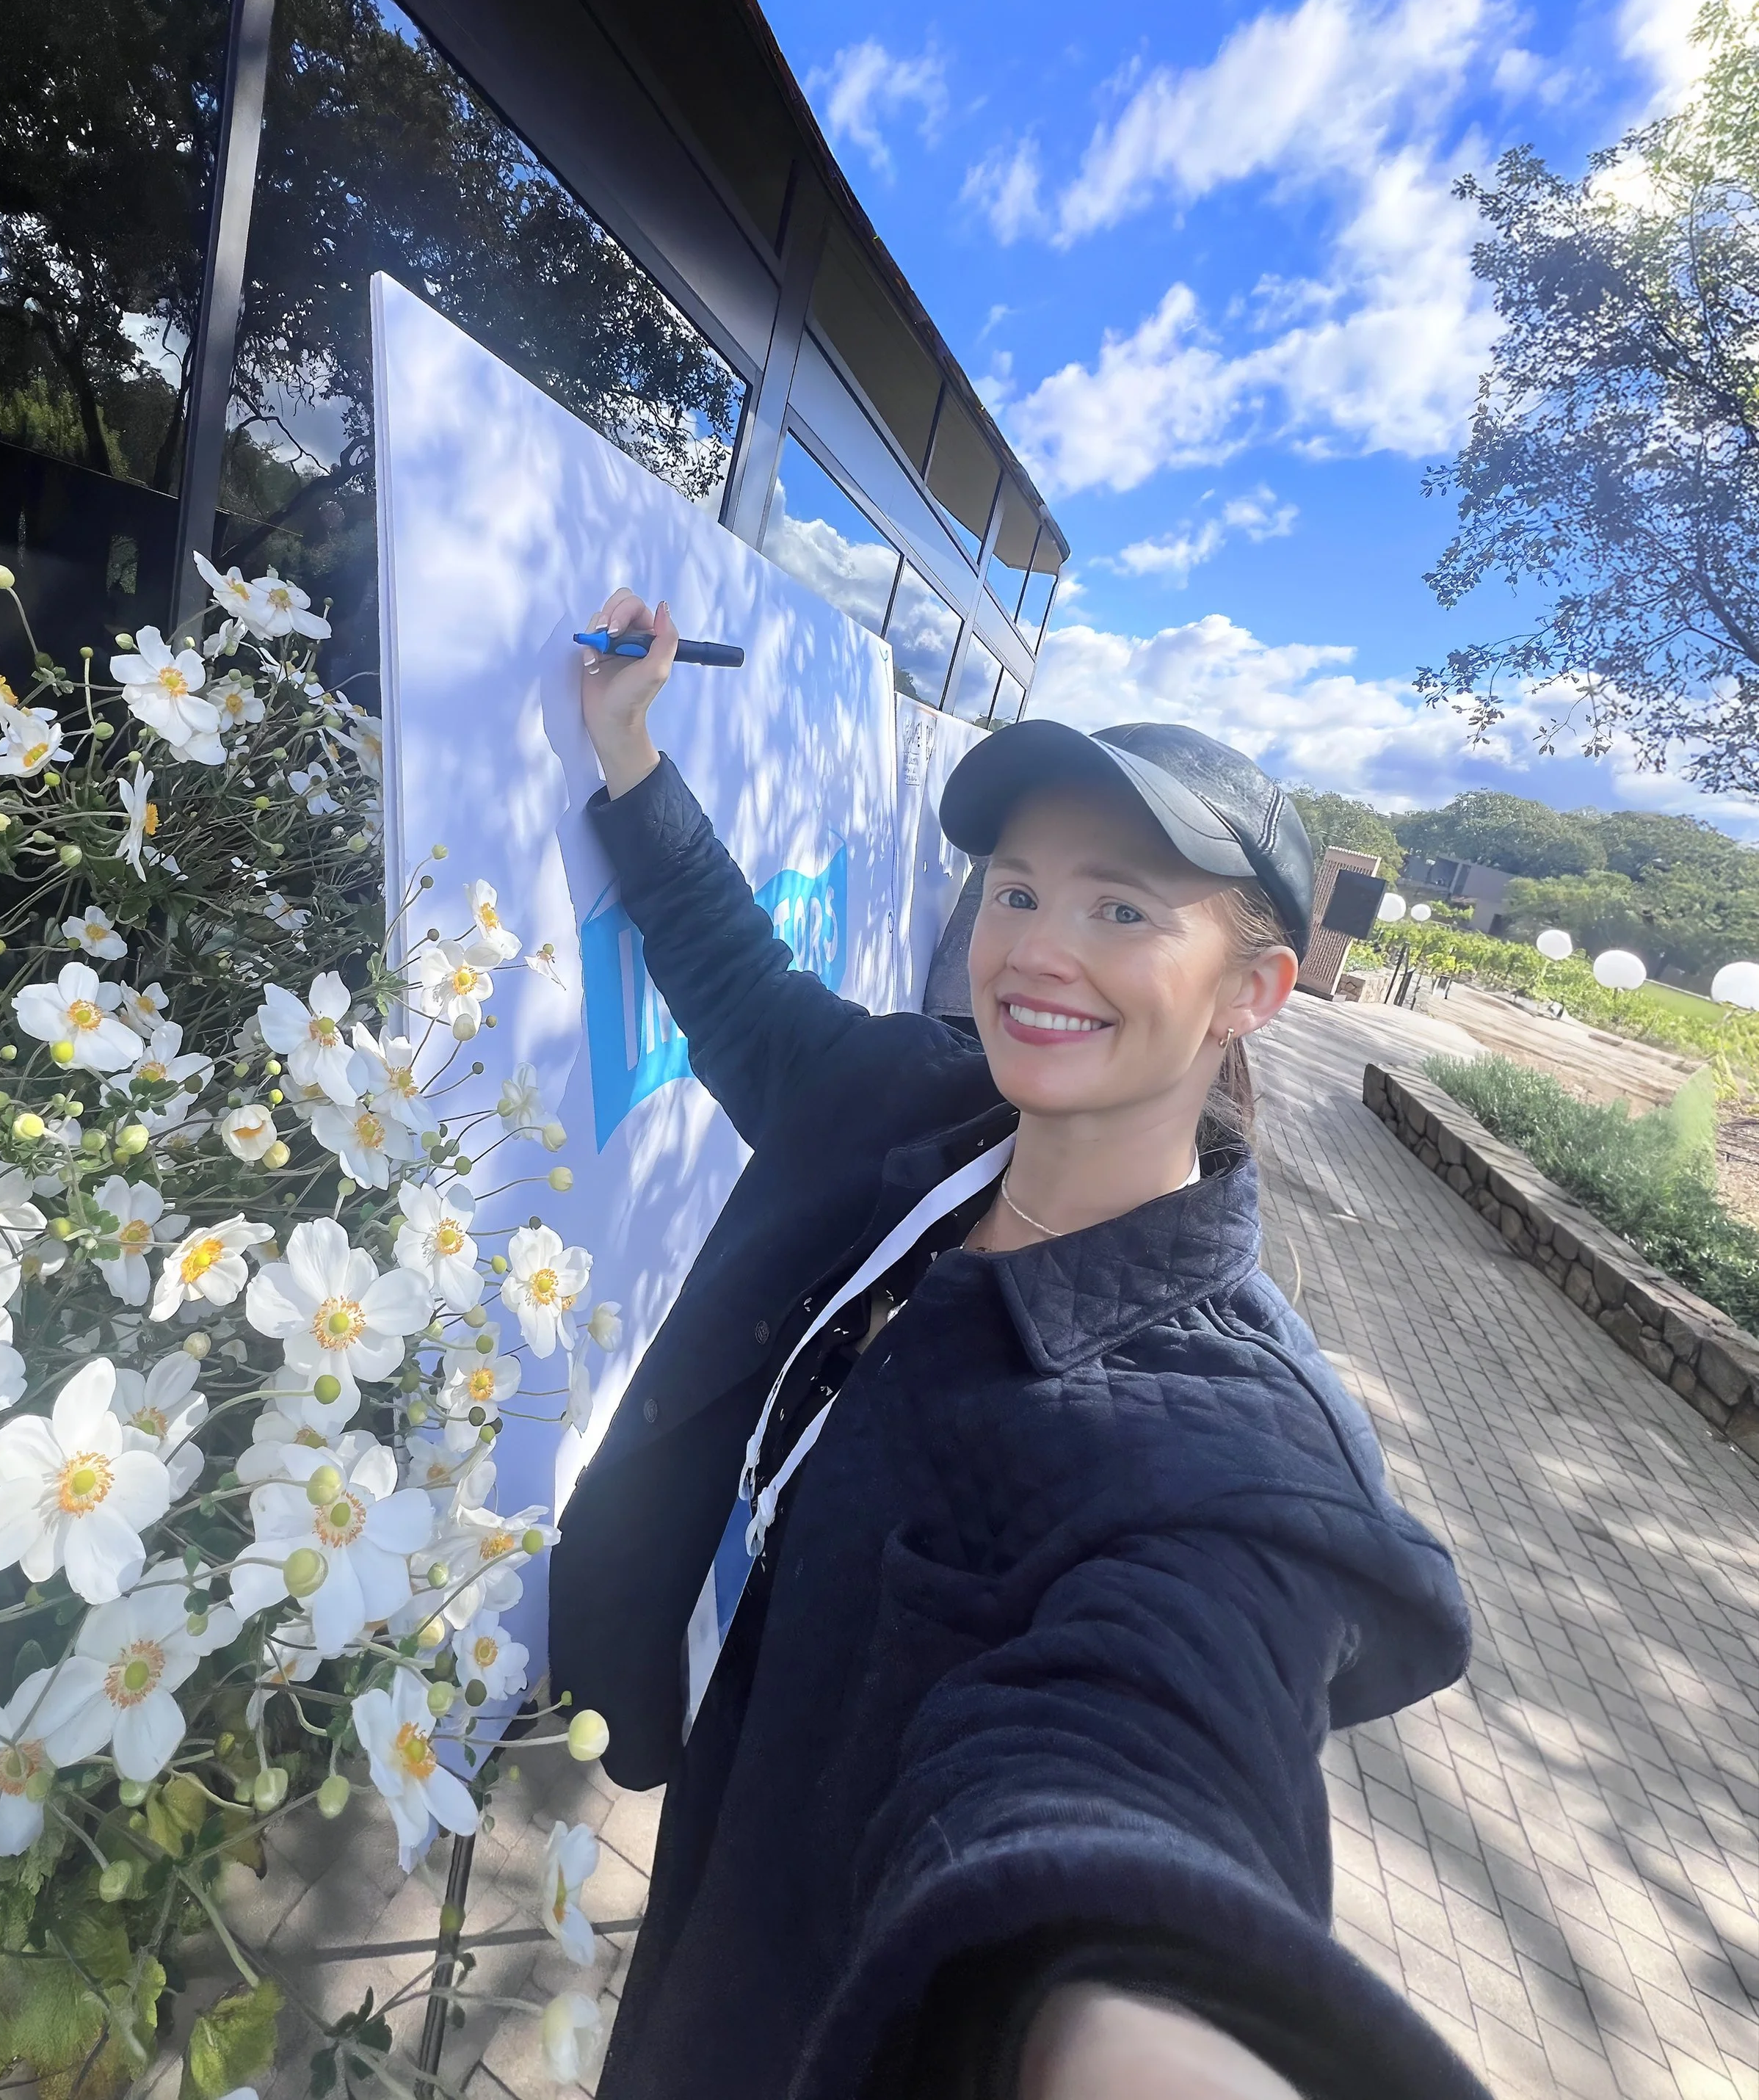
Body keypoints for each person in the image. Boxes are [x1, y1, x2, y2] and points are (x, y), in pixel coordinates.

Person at [548, 586, 1486, 2100]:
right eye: (1015, 888)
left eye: (1121, 907)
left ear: (1252, 991)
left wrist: (1134, 2018)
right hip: (708, 1858)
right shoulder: (912, 1113)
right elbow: (734, 984)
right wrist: (625, 742)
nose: (1038, 949)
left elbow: (1145, 1755)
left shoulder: (1222, 1448)